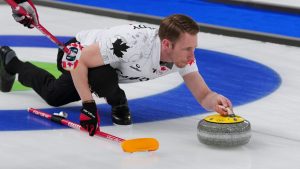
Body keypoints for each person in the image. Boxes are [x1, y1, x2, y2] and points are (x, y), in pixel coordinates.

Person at [1, 0, 233, 136]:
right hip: (77, 51)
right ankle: (118, 102)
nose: (192, 56)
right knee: (103, 77)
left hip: (100, 64)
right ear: (166, 44)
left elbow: (203, 94)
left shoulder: (183, 56)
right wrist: (88, 106)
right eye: (187, 49)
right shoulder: (131, 43)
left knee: (54, 95)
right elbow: (79, 61)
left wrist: (216, 101)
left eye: (194, 48)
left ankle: (11, 62)